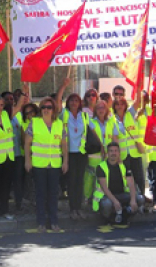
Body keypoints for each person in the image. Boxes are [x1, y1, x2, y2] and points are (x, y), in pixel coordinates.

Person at [24, 97, 68, 232]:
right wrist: (27, 160)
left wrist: (66, 161)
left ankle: (54, 222)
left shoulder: (60, 124)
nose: (46, 110)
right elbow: (27, 143)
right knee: (40, 194)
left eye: (49, 107)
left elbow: (64, 145)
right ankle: (41, 223)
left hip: (54, 164)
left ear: (53, 110)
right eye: (43, 107)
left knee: (53, 194)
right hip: (39, 164)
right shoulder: (34, 122)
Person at [56, 78, 93, 220]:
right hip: (69, 153)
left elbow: (91, 131)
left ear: (80, 103)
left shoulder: (84, 115)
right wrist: (63, 86)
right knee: (71, 181)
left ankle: (79, 208)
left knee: (80, 181)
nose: (73, 103)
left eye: (76, 100)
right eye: (71, 100)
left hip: (81, 153)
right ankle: (72, 209)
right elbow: (58, 101)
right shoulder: (64, 114)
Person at [92, 142, 143, 224]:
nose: (113, 153)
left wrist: (133, 200)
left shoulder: (124, 166)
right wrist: (115, 201)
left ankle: (124, 214)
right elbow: (104, 188)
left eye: (116, 151)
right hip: (107, 196)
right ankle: (110, 218)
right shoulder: (101, 167)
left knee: (140, 199)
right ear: (107, 153)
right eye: (111, 151)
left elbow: (131, 184)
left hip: (122, 194)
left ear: (119, 153)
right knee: (107, 204)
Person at [112, 97, 145, 198]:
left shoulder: (130, 114)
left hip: (134, 152)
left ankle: (141, 198)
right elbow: (114, 138)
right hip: (122, 154)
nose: (120, 106)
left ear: (125, 105)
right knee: (125, 177)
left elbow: (137, 101)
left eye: (122, 104)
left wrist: (139, 88)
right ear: (114, 106)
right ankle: (129, 198)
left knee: (139, 177)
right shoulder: (112, 119)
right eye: (117, 104)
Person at [87, 100, 118, 203]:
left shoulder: (111, 122)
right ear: (95, 110)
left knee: (104, 179)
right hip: (94, 156)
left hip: (107, 157)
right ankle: (87, 200)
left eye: (103, 107)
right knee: (90, 179)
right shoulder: (91, 122)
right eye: (99, 108)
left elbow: (115, 139)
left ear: (107, 109)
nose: (101, 110)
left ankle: (101, 201)